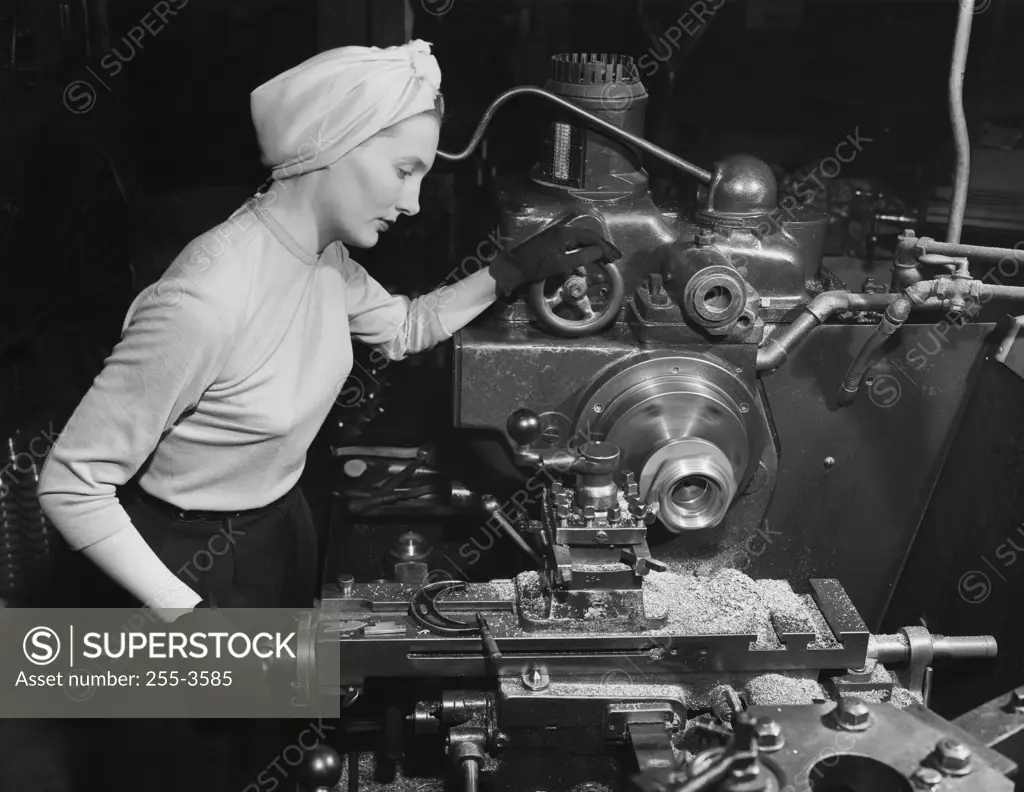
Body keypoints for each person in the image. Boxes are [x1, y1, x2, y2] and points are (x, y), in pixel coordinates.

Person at [34, 39, 620, 791]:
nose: (412, 201)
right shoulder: (206, 299)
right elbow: (70, 483)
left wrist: (518, 265)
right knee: (195, 766)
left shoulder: (323, 261)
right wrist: (187, 616)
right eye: (404, 169)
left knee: (274, 754)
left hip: (282, 529)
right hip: (183, 560)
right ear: (330, 147)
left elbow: (408, 327)